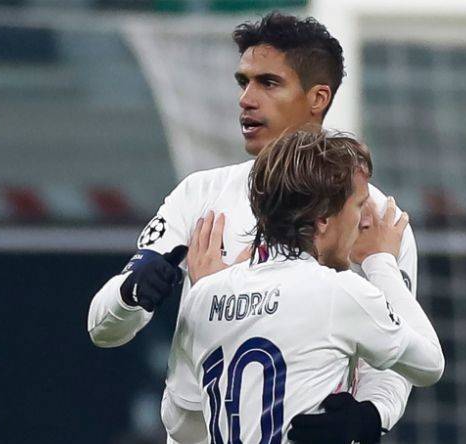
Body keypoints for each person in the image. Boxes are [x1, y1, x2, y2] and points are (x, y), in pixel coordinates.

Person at [87, 12, 423, 443]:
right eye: (243, 82)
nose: (246, 99)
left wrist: (372, 415)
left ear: (318, 97)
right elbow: (102, 329)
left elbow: (401, 355)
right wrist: (131, 294)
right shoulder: (199, 195)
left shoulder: (374, 220)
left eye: (268, 83)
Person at [163, 130, 444, 444]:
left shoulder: (203, 296)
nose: (362, 221)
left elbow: (183, 426)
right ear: (323, 219)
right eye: (358, 206)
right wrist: (381, 262)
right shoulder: (340, 293)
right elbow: (430, 363)